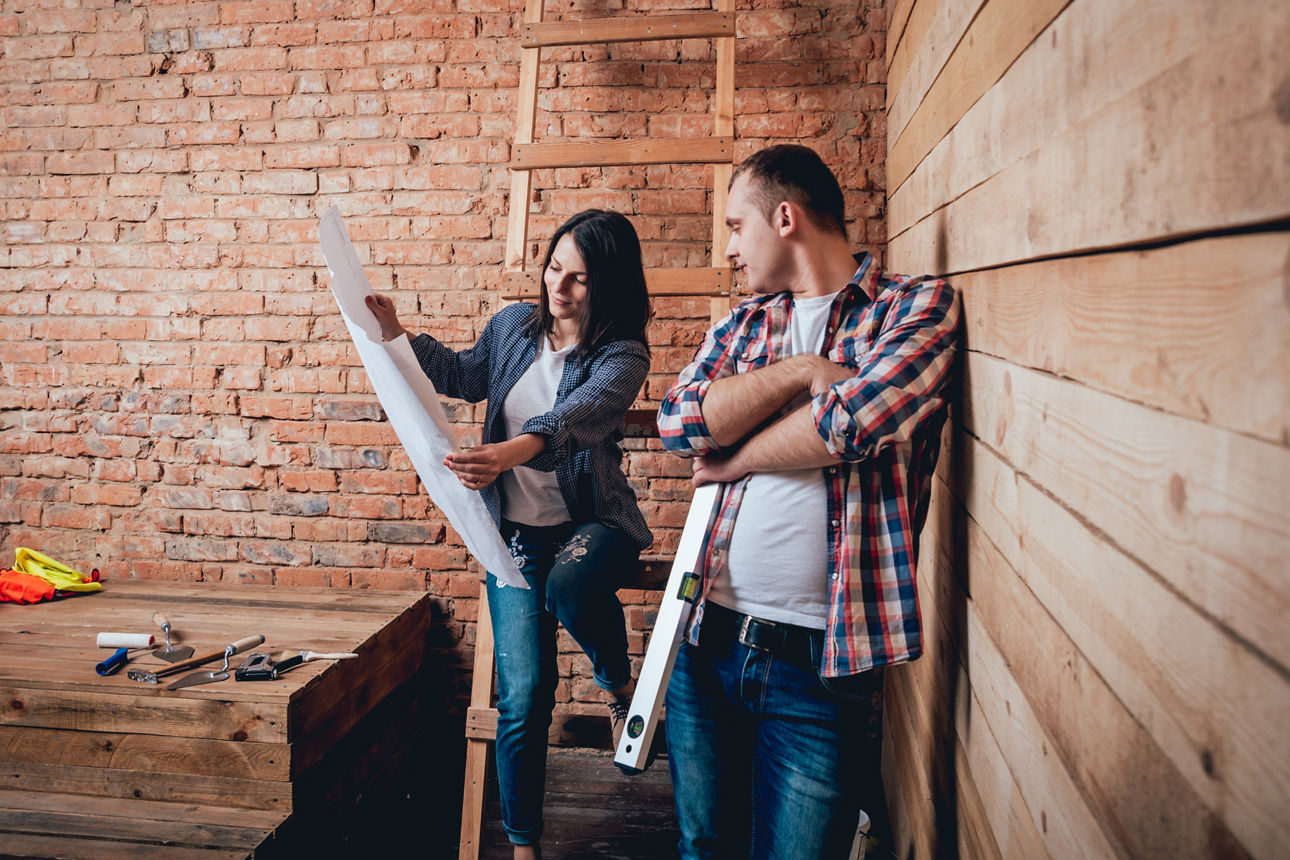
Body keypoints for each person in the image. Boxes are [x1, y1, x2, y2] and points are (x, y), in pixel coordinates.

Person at [657, 144, 960, 859]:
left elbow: (854, 422)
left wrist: (732, 456)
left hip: (824, 668)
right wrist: (798, 371)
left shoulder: (915, 308)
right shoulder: (745, 326)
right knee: (704, 847)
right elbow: (679, 421)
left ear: (784, 217)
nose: (730, 248)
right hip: (707, 642)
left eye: (737, 226)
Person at [365, 209, 654, 860]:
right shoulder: (510, 329)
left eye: (580, 279)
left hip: (591, 521)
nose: (561, 287)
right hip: (517, 532)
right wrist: (396, 333)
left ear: (605, 286)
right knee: (522, 698)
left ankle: (615, 684)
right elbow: (465, 376)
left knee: (571, 582)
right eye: (555, 267)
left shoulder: (622, 354)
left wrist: (506, 453)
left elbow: (574, 421)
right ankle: (524, 846)